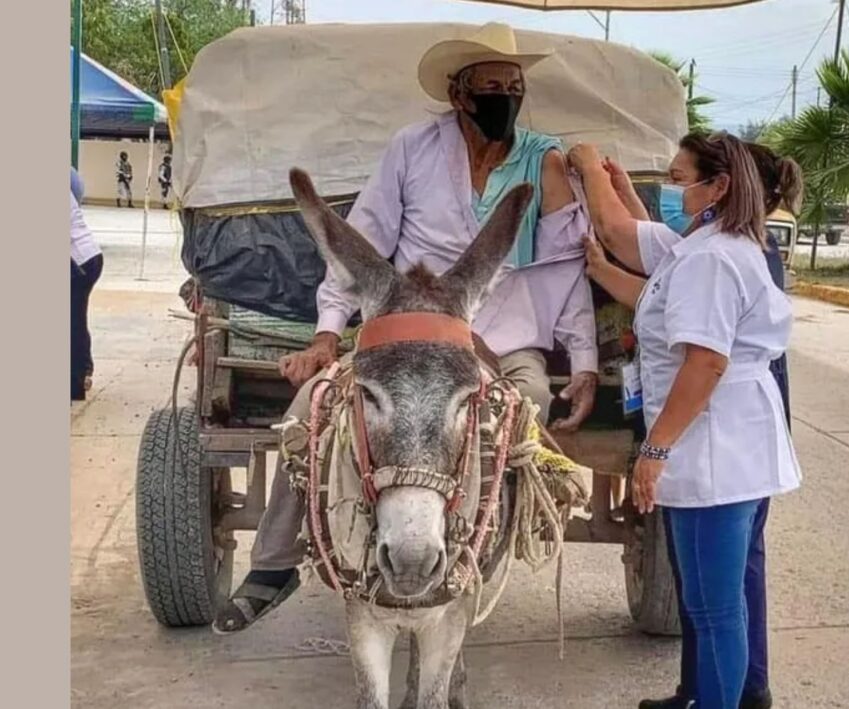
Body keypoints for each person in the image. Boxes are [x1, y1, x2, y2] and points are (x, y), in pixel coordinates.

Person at [214, 22, 599, 634]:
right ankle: (275, 563)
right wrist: (325, 334)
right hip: (407, 326)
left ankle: (483, 551)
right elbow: (359, 244)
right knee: (312, 409)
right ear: (459, 94)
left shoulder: (544, 161)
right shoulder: (412, 148)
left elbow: (563, 269)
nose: (505, 94)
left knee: (523, 404)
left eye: (514, 84)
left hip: (507, 334)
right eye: (491, 84)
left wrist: (584, 362)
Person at [569, 132, 802, 709]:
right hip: (726, 440)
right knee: (708, 599)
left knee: (717, 608)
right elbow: (647, 265)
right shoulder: (712, 244)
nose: (673, 191)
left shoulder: (713, 259)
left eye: (679, 179)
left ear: (718, 186)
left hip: (714, 448)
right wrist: (620, 192)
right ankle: (698, 694)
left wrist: (655, 451)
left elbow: (705, 361)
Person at [71, 181, 104, 401]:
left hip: (79, 261)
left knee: (72, 323)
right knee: (75, 321)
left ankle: (75, 384)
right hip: (88, 257)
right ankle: (82, 373)